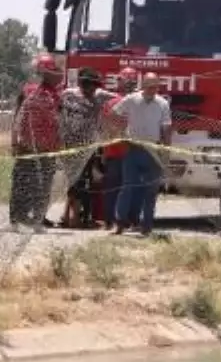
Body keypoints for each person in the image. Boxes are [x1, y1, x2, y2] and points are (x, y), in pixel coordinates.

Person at [111, 72, 171, 236]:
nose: (153, 90)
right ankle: (120, 223)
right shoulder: (132, 99)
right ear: (143, 86)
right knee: (127, 187)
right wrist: (119, 132)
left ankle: (147, 226)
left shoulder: (162, 104)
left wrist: (166, 151)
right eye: (150, 86)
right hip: (133, 148)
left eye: (155, 87)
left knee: (151, 190)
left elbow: (166, 128)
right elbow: (113, 113)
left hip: (153, 151)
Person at [9, 54, 63, 228]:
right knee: (22, 181)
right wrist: (14, 141)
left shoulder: (56, 94)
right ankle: (16, 218)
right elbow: (17, 115)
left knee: (43, 184)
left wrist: (59, 143)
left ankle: (37, 218)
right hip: (27, 144)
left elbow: (59, 120)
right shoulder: (28, 90)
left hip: (47, 147)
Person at [58, 68, 114, 228]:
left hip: (89, 147)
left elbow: (119, 99)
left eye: (94, 86)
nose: (91, 89)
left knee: (83, 181)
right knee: (74, 180)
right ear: (82, 84)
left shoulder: (100, 95)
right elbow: (58, 111)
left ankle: (68, 215)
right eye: (88, 85)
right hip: (70, 146)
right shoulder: (68, 94)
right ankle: (73, 218)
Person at [101, 67, 139, 230]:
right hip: (130, 151)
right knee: (129, 187)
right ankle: (126, 220)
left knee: (113, 187)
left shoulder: (111, 103)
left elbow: (104, 129)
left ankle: (110, 220)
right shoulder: (138, 104)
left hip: (114, 151)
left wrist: (103, 151)